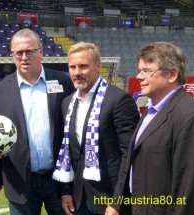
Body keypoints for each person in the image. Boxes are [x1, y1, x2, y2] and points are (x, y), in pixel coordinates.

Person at [0, 28, 75, 214]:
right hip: (19, 181)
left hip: (59, 180)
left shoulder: (64, 82)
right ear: (12, 55)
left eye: (29, 51)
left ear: (41, 52)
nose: (24, 57)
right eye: (18, 52)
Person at [107, 42, 194, 215]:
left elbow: (189, 189)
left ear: (172, 74)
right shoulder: (151, 109)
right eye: (139, 71)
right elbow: (131, 161)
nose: (139, 77)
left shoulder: (190, 115)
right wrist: (117, 202)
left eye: (147, 71)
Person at [52, 42, 140, 215]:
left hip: (110, 197)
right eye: (72, 67)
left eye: (83, 66)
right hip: (79, 197)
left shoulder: (119, 100)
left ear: (98, 66)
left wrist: (118, 202)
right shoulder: (67, 103)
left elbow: (129, 155)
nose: (77, 72)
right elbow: (69, 152)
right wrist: (66, 191)